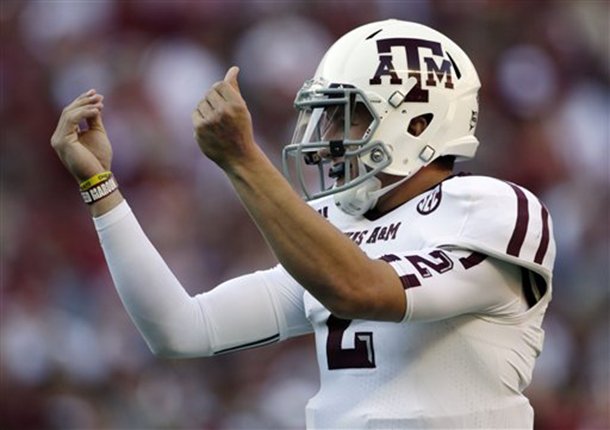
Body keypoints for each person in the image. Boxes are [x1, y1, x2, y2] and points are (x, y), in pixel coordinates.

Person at [51, 19, 555, 429]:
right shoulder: (338, 227)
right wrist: (101, 187)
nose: (329, 137)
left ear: (418, 124)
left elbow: (362, 289)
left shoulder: (492, 208)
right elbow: (181, 329)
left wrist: (244, 160)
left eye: (349, 116)